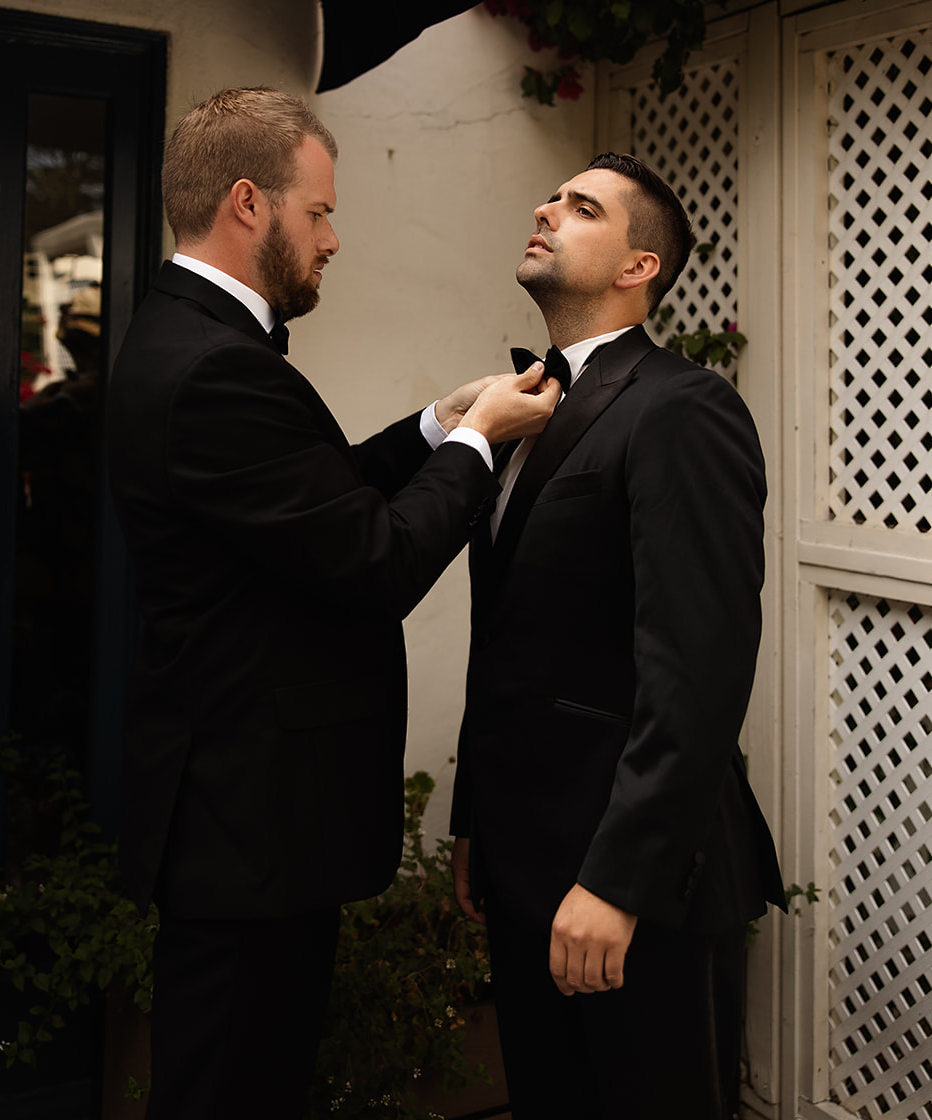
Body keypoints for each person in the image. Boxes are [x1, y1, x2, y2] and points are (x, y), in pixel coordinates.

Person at [106, 87, 559, 1120]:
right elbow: (370, 560)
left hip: (242, 829)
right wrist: (483, 442)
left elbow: (300, 503)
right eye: (318, 212)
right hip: (246, 832)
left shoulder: (182, 335)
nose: (334, 238)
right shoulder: (217, 365)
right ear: (247, 204)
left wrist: (432, 426)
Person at [450, 152, 786, 1120]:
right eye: (551, 196)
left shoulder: (684, 407)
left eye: (580, 206)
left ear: (638, 266)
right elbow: (509, 636)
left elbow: (697, 667)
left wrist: (616, 878)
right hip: (522, 863)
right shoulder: (518, 408)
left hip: (633, 881)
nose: (545, 210)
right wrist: (475, 813)